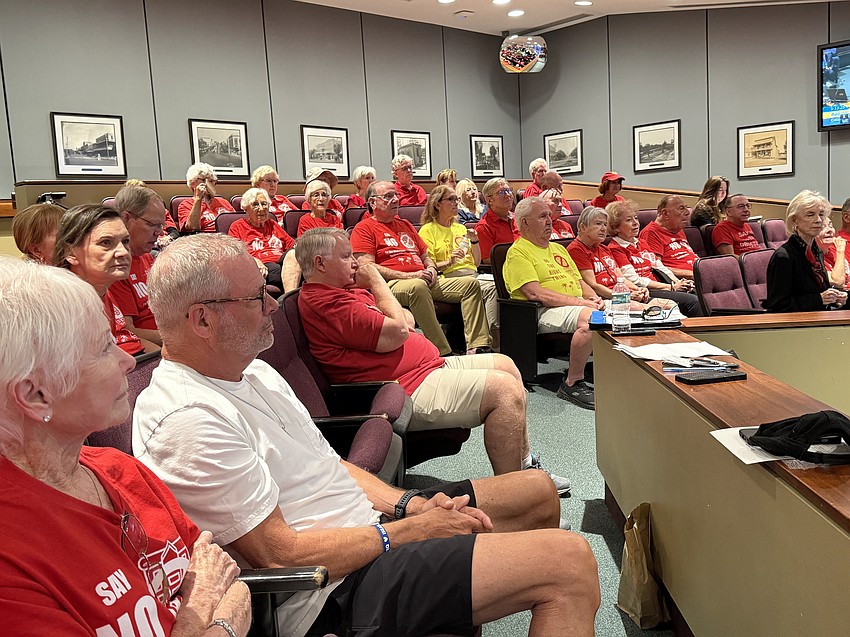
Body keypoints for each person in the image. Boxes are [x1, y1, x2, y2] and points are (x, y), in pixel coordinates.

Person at [134, 233, 598, 637]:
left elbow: (331, 464)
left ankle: (482, 591)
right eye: (257, 297)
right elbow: (278, 556)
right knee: (569, 563)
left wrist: (408, 505)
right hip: (329, 592)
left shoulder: (251, 371)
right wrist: (413, 531)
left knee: (536, 492)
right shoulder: (187, 418)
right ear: (202, 320)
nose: (274, 305)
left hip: (369, 536)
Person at [0, 256, 250, 637]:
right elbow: (211, 587)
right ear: (36, 395)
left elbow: (224, 573)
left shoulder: (121, 469)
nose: (128, 361)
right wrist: (205, 612)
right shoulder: (12, 554)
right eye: (103, 349)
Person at [298, 228, 568, 489]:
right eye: (347, 256)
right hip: (402, 387)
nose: (357, 263)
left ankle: (524, 465)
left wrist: (392, 314)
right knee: (504, 391)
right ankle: (516, 497)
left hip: (423, 368)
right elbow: (400, 330)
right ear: (320, 263)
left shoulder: (346, 291)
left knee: (505, 363)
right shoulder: (329, 303)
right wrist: (377, 280)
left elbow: (406, 319)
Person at [351, 181, 491, 355]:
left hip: (423, 278)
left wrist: (431, 269)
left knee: (470, 284)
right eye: (388, 196)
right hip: (393, 283)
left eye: (395, 195)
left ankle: (477, 346)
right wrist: (411, 276)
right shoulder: (363, 228)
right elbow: (367, 268)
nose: (395, 199)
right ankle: (442, 351)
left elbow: (426, 257)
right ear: (372, 202)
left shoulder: (405, 225)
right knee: (418, 287)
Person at [503, 197, 604, 409]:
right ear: (525, 223)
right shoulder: (518, 252)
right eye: (542, 216)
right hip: (539, 311)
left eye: (550, 215)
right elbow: (534, 293)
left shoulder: (559, 249)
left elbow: (579, 281)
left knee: (631, 311)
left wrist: (592, 297)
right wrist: (580, 303)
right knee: (592, 320)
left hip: (574, 305)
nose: (550, 220)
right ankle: (572, 382)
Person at [53, 204, 158, 356]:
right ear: (71, 253)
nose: (123, 252)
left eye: (125, 241)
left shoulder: (101, 290)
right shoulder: (63, 307)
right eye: (106, 243)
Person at [419, 186, 499, 346]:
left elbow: (476, 263)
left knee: (501, 284)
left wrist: (475, 241)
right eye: (451, 199)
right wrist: (449, 261)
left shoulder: (460, 228)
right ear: (437, 204)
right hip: (447, 277)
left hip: (472, 274)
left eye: (457, 199)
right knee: (492, 287)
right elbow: (429, 266)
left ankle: (494, 336)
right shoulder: (428, 230)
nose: (456, 203)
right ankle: (493, 339)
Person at [607, 199, 701, 316]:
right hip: (645, 291)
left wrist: (678, 282)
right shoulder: (615, 248)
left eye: (636, 218)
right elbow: (635, 280)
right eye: (628, 220)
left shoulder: (641, 243)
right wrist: (671, 287)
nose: (635, 223)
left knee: (698, 293)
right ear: (615, 227)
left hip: (662, 286)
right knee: (693, 301)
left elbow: (660, 267)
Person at [765, 190, 848, 312]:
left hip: (820, 317)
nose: (818, 220)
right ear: (794, 220)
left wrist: (835, 297)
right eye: (810, 215)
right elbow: (778, 306)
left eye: (821, 214)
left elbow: (819, 292)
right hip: (799, 326)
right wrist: (819, 299)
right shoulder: (784, 256)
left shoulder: (816, 250)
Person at [567, 206, 663, 310]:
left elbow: (621, 278)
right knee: (638, 307)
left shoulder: (604, 249)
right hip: (605, 298)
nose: (603, 228)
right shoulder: (576, 250)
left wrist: (638, 289)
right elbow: (593, 286)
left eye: (605, 224)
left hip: (621, 294)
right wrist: (625, 296)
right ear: (582, 227)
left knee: (669, 304)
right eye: (598, 224)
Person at [110, 186, 168, 346]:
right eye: (152, 225)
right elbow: (128, 331)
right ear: (126, 218)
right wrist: (180, 339)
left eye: (161, 226)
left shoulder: (147, 257)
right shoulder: (116, 266)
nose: (159, 233)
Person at [229, 187, 298, 291]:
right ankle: (291, 297)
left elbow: (291, 245)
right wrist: (255, 261)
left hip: (282, 263)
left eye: (264, 204)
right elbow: (235, 253)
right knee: (291, 272)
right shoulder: (238, 226)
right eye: (255, 204)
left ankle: (288, 296)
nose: (261, 208)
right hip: (263, 267)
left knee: (294, 255)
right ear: (246, 209)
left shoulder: (273, 224)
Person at [639, 195, 698, 279]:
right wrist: (693, 274)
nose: (687, 212)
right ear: (665, 213)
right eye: (681, 208)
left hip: (700, 273)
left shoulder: (678, 229)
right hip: (683, 281)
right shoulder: (651, 233)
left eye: (686, 207)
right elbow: (656, 268)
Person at [178, 163, 235, 233]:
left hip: (228, 238)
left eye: (214, 181)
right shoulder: (185, 205)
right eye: (209, 181)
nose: (213, 184)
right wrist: (198, 199)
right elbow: (192, 227)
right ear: (193, 183)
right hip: (203, 240)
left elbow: (236, 224)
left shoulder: (223, 202)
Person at [476, 177, 520, 264]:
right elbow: (488, 260)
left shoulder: (519, 219)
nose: (508, 195)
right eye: (502, 192)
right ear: (489, 200)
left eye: (509, 190)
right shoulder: (483, 227)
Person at [817, 218, 848, 289]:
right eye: (822, 227)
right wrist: (840, 251)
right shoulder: (813, 258)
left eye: (831, 226)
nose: (829, 230)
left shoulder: (833, 251)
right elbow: (838, 282)